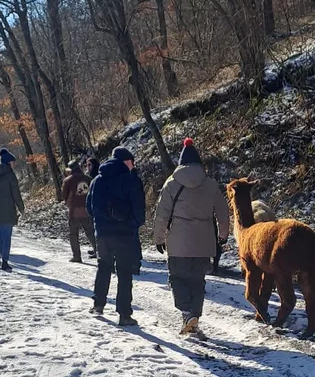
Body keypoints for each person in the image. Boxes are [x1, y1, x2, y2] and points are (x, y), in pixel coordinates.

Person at [153, 138, 229, 335]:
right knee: (198, 281)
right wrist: (223, 235)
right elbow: (223, 212)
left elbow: (162, 214)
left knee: (178, 279)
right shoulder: (211, 184)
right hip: (204, 244)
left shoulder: (171, 184)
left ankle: (188, 314)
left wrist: (159, 238)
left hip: (178, 243)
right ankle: (193, 317)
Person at [86, 147, 145, 326]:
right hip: (124, 235)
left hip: (103, 234)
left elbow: (89, 208)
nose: (133, 165)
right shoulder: (130, 180)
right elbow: (139, 210)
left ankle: (98, 304)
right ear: (125, 161)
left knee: (103, 267)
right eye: (131, 161)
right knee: (124, 273)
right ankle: (124, 314)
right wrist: (132, 226)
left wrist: (101, 223)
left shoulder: (97, 180)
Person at [0, 148, 25, 272]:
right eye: (13, 162)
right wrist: (21, 208)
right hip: (7, 210)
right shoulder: (10, 176)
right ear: (8, 162)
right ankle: (5, 262)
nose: (14, 164)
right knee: (6, 237)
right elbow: (16, 194)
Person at [61, 160, 96, 263]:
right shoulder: (88, 178)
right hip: (87, 209)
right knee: (90, 232)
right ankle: (98, 252)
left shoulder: (68, 180)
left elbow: (63, 196)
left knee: (73, 234)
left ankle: (77, 256)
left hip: (74, 210)